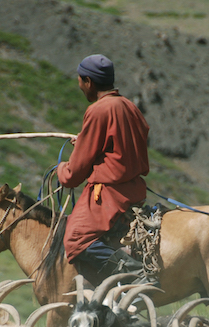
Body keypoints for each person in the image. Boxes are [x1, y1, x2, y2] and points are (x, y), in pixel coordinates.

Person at [57, 54, 154, 285]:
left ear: (88, 81)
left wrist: (62, 169)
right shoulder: (130, 106)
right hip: (134, 189)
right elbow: (118, 146)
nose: (80, 86)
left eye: (81, 81)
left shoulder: (98, 110)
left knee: (76, 238)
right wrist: (86, 141)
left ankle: (134, 274)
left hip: (110, 193)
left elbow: (74, 173)